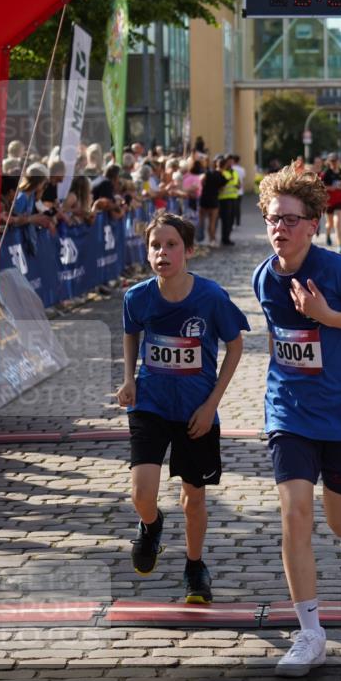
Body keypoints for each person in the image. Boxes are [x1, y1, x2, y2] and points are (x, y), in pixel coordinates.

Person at [252, 165, 341, 675]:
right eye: (274, 219)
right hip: (290, 411)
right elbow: (278, 336)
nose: (280, 228)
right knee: (294, 513)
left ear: (313, 224)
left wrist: (328, 316)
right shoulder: (263, 277)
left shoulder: (338, 273)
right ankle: (310, 633)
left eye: (291, 220)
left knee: (340, 524)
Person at [116, 212, 249, 601]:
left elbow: (235, 346)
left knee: (194, 498)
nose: (162, 253)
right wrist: (129, 378)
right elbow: (130, 333)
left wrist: (212, 404)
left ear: (189, 251)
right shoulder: (137, 297)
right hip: (150, 403)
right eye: (155, 246)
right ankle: (151, 524)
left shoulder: (211, 297)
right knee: (141, 494)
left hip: (196, 411)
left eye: (171, 245)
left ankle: (194, 566)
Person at [321, 153, 341, 253]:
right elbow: (321, 186)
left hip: (339, 200)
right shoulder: (326, 173)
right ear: (328, 162)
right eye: (332, 161)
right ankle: (328, 234)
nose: (334, 163)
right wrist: (331, 188)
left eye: (335, 160)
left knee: (338, 222)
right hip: (328, 202)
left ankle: (340, 245)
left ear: (338, 161)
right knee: (330, 224)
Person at [217, 156, 240, 247]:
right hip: (224, 199)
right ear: (225, 162)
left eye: (232, 161)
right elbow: (220, 185)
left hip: (234, 197)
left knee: (231, 219)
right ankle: (225, 239)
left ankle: (228, 237)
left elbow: (238, 183)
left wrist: (238, 186)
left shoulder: (234, 172)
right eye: (229, 161)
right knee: (225, 220)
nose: (230, 163)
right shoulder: (222, 172)